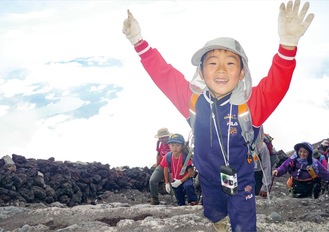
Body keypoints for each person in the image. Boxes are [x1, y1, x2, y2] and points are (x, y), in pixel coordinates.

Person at [122, 0, 314, 231]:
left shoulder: (251, 104)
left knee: (244, 225)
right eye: (212, 63)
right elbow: (164, 76)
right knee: (213, 213)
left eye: (230, 64)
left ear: (242, 72)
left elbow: (277, 84)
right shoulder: (192, 100)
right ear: (201, 72)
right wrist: (138, 42)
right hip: (208, 179)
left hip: (241, 181)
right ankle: (218, 221)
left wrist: (288, 45)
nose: (221, 70)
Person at [161, 133, 198, 206]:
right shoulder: (167, 157)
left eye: (177, 145)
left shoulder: (185, 157)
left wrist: (181, 181)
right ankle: (181, 204)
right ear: (169, 146)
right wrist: (167, 183)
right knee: (179, 196)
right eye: (172, 145)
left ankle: (193, 201)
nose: (175, 148)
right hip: (175, 179)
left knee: (188, 186)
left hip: (186, 178)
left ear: (182, 146)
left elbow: (190, 172)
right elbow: (165, 168)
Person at [149, 128, 171, 205]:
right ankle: (154, 198)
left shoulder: (173, 143)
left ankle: (176, 200)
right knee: (152, 180)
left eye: (163, 137)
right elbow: (159, 154)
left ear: (168, 137)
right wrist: (157, 165)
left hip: (172, 166)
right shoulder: (159, 143)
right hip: (162, 164)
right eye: (160, 138)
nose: (161, 139)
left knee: (172, 183)